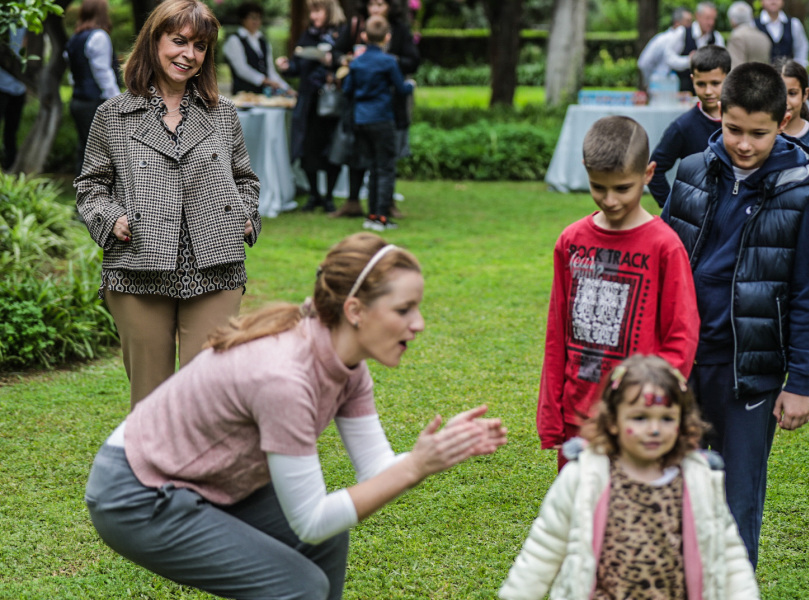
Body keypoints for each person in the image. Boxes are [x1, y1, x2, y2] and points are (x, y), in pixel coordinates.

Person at [84, 233, 509, 599]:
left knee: (326, 544)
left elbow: (377, 470)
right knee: (300, 585)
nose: (419, 324)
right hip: (136, 492)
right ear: (355, 311)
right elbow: (310, 520)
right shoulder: (284, 379)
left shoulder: (348, 366)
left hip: (204, 474)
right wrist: (415, 467)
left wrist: (434, 454)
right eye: (403, 310)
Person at [661, 62, 809, 567]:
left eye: (759, 133)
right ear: (719, 115)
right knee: (676, 490)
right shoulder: (691, 172)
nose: (745, 144)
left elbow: (806, 294)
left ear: (783, 121)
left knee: (738, 500)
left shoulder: (798, 192)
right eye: (734, 130)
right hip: (683, 365)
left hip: (752, 372)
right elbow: (664, 263)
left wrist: (799, 383)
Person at [75, 0, 261, 408]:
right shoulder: (112, 115)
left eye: (199, 46)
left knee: (205, 395)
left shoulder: (223, 114)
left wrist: (246, 216)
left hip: (216, 265)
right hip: (138, 265)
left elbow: (246, 180)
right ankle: (150, 454)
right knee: (151, 401)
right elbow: (90, 186)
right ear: (154, 41)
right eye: (179, 41)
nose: (188, 54)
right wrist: (111, 218)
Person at [501, 355, 758, 600]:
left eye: (667, 419)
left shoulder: (698, 479)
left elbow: (729, 553)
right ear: (613, 421)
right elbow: (545, 547)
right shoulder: (585, 476)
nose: (654, 429)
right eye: (640, 417)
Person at [537, 116, 699, 471]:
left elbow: (682, 337)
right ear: (585, 169)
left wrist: (651, 407)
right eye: (599, 187)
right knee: (583, 505)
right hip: (579, 418)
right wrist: (551, 415)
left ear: (648, 173)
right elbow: (557, 334)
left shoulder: (665, 245)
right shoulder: (571, 241)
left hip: (639, 422)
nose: (610, 200)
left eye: (623, 188)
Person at [335, 0, 421, 220]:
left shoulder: (356, 63)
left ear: (364, 36)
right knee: (384, 168)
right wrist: (410, 86)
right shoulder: (388, 62)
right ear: (387, 37)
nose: (375, 8)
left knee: (372, 166)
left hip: (361, 118)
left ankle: (372, 214)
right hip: (382, 117)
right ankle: (380, 214)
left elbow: (347, 89)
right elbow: (400, 88)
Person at [276, 0, 349, 213]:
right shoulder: (309, 34)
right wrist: (287, 67)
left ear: (329, 10)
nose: (314, 16)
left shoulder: (342, 34)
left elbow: (349, 62)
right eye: (312, 11)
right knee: (308, 149)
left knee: (332, 149)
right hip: (309, 103)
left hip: (333, 102)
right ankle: (314, 194)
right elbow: (298, 66)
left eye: (318, 11)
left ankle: (329, 197)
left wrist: (333, 61)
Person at [648, 45, 730, 207]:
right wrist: (674, 208)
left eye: (715, 83)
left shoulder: (743, 120)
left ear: (728, 78)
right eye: (701, 84)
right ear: (692, 80)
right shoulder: (683, 127)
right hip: (699, 213)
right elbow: (655, 170)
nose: (708, 91)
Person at [65, 0, 121, 176]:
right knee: (99, 153)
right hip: (93, 103)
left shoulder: (75, 38)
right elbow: (103, 72)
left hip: (77, 101)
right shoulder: (99, 36)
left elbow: (72, 74)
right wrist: (117, 102)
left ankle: (81, 190)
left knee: (84, 149)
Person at [221, 2, 291, 95]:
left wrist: (287, 88)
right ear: (243, 19)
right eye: (252, 17)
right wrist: (265, 80)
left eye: (259, 18)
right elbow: (242, 69)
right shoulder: (234, 40)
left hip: (263, 95)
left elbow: (270, 71)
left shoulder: (263, 41)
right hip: (243, 95)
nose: (256, 21)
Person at [666, 2, 725, 93]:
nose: (711, 23)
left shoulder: (716, 37)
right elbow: (669, 58)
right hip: (683, 90)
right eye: (707, 18)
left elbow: (723, 63)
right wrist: (688, 61)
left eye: (713, 19)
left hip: (707, 91)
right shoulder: (682, 33)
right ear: (698, 16)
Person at [776, 57, 809, 151]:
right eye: (779, 93)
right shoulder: (761, 135)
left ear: (805, 94)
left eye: (792, 93)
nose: (785, 101)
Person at [637, 6, 693, 88]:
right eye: (688, 21)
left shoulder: (684, 40)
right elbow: (643, 63)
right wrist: (649, 81)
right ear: (677, 23)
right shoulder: (663, 39)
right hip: (660, 85)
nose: (690, 26)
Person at [0, 28, 26, 171]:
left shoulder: (23, 21)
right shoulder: (5, 21)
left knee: (11, 131)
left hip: (18, 85)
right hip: (2, 84)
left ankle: (9, 167)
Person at [755, 0, 808, 67]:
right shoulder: (753, 25)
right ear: (761, 1)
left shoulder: (794, 24)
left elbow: (801, 49)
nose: (773, 1)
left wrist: (799, 68)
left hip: (788, 71)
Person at [726, 1, 771, 69]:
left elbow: (735, 68)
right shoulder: (763, 37)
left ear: (732, 20)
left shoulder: (737, 37)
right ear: (751, 17)